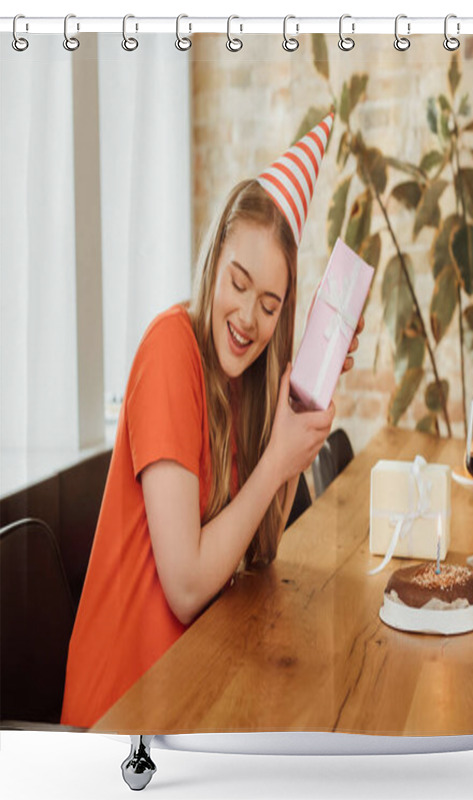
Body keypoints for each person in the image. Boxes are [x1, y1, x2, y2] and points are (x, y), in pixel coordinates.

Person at [61, 111, 360, 728]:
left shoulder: (250, 379)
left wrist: (298, 412)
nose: (249, 317)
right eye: (239, 283)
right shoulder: (171, 350)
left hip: (196, 685)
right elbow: (189, 584)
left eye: (270, 305)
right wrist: (278, 459)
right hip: (122, 714)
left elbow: (260, 549)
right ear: (213, 257)